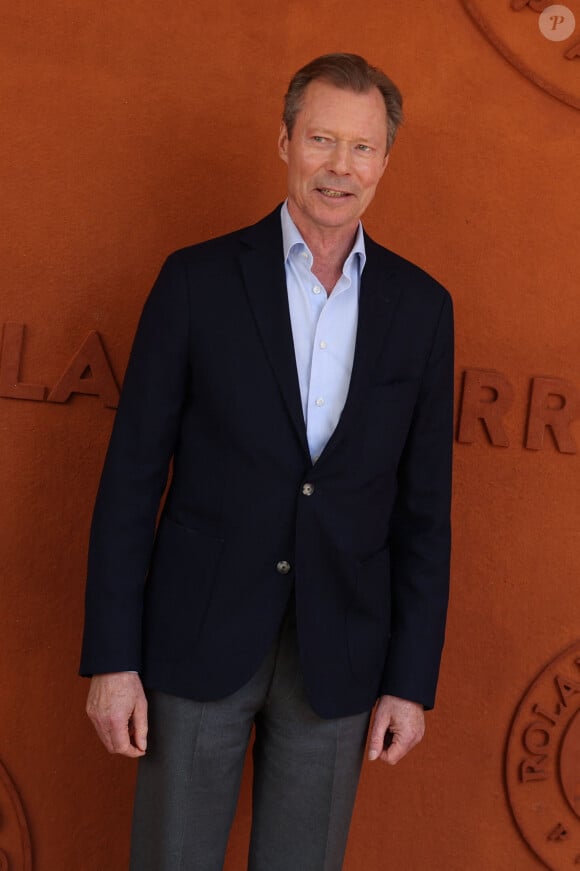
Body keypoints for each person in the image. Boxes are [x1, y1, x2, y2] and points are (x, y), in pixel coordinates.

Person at [81, 52, 454, 870]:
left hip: (341, 654)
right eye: (321, 139)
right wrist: (112, 658)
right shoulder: (195, 281)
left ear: (386, 159)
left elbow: (426, 512)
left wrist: (409, 680)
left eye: (361, 147)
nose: (340, 167)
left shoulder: (423, 310)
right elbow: (131, 478)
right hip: (195, 637)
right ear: (284, 140)